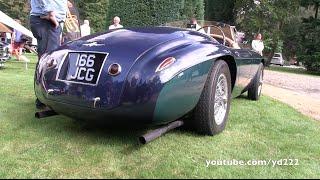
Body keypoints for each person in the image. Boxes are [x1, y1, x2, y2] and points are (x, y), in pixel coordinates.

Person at [29, 0, 68, 109]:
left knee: (49, 59)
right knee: (48, 60)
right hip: (47, 20)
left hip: (49, 20)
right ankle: (44, 99)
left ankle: (44, 98)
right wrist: (51, 14)